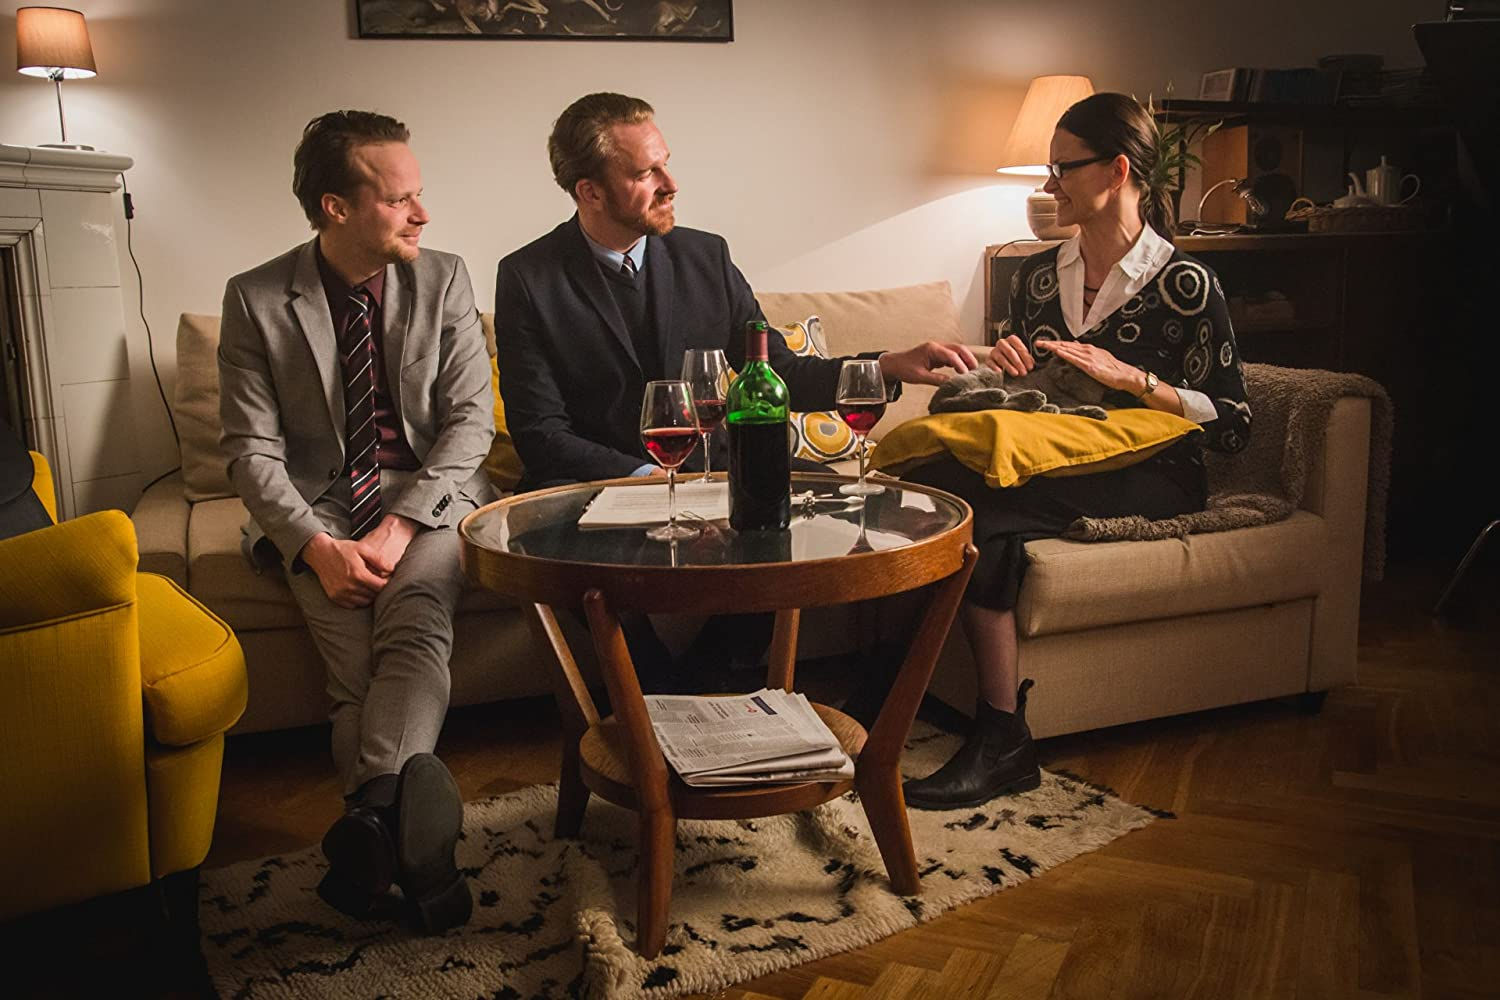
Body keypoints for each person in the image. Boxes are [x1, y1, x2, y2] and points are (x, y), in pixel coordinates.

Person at [900, 92, 1253, 810]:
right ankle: (952, 714)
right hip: (1055, 458)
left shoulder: (1186, 286)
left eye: (1064, 168)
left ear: (1118, 170)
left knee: (986, 512)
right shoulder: (1035, 275)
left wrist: (1140, 382)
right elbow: (1031, 396)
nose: (1050, 185)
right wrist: (1002, 363)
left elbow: (1234, 423)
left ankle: (998, 737)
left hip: (1156, 475)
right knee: (935, 484)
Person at [218, 110, 494, 931]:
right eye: (402, 198)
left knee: (409, 631)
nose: (423, 213)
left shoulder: (443, 277)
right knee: (354, 674)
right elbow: (250, 452)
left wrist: (400, 527)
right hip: (317, 506)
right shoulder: (257, 298)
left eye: (420, 195)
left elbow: (470, 424)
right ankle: (408, 846)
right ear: (336, 207)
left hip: (430, 497)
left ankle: (369, 825)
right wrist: (314, 546)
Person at [493, 91, 980, 491]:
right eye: (646, 174)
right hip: (592, 488)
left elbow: (778, 370)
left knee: (866, 520)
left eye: (665, 165)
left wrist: (886, 365)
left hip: (720, 472)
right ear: (590, 192)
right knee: (601, 598)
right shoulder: (528, 278)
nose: (671, 184)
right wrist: (644, 478)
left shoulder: (707, 257)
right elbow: (541, 434)